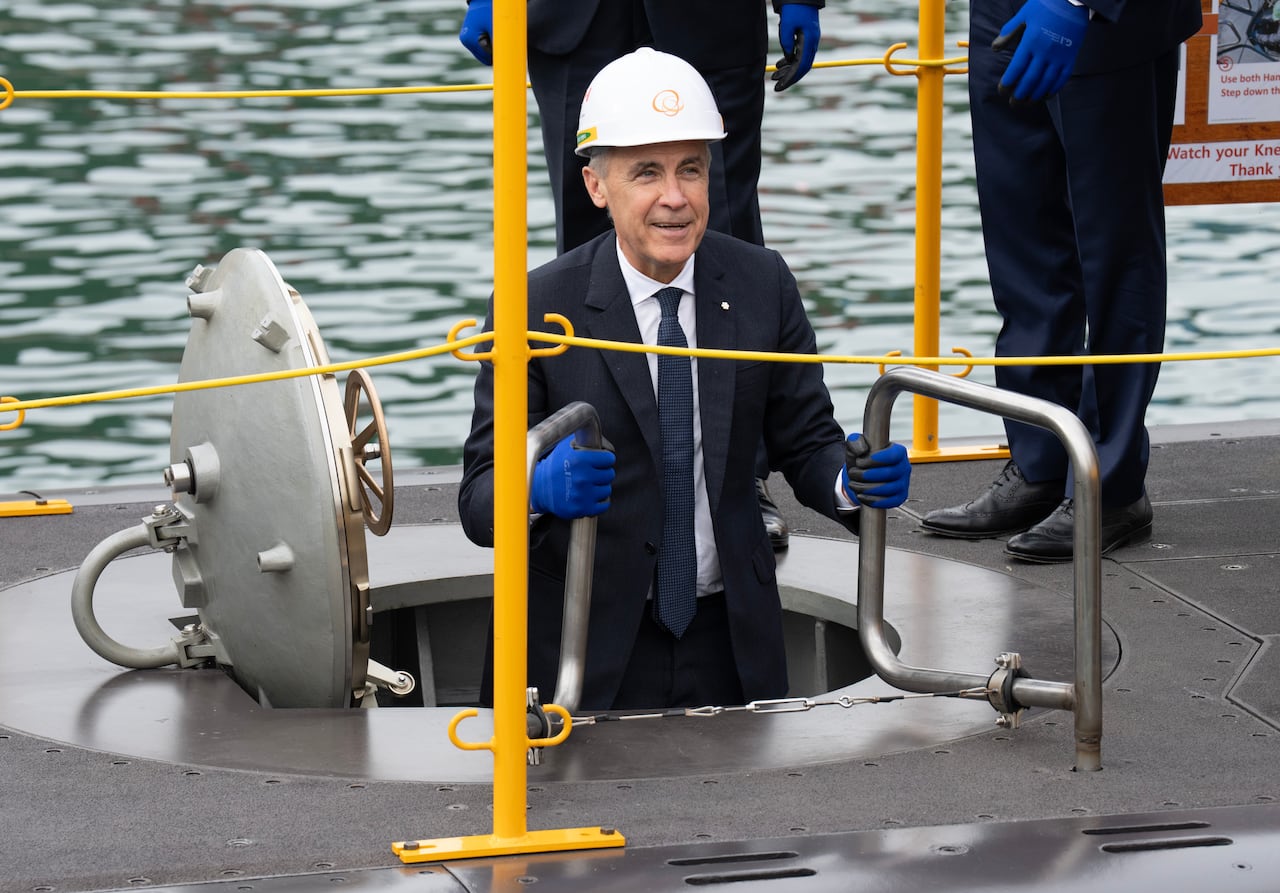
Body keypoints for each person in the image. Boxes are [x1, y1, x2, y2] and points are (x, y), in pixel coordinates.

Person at [458, 48, 911, 711]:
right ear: (596, 186)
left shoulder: (762, 285)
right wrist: (535, 482)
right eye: (647, 173)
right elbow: (477, 500)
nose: (674, 198)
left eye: (690, 170)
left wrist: (850, 481)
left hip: (730, 640)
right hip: (580, 649)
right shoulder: (533, 309)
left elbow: (805, 438)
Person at [458, 0, 826, 551]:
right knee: (589, 244)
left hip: (711, 23)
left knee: (717, 224)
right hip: (571, 18)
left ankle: (737, 478)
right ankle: (589, 464)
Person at [920, 0, 1203, 563]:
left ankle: (1112, 484)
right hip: (1000, 13)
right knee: (1021, 248)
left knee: (1116, 252)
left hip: (1106, 21)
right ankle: (1041, 461)